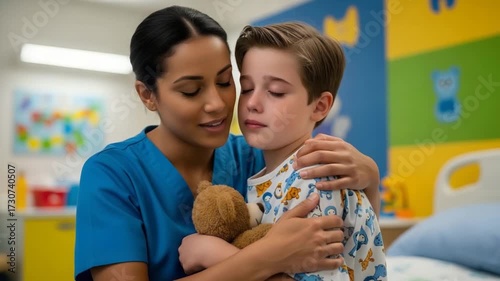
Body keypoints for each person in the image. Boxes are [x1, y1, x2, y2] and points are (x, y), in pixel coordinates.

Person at [74, 6, 382, 281]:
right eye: (192, 90)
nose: (217, 104)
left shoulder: (260, 157)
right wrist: (265, 257)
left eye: (225, 82)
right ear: (147, 95)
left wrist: (369, 175)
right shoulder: (113, 174)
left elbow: (356, 250)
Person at [179, 22, 387, 280]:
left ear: (320, 107)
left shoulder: (314, 182)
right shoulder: (275, 173)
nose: (252, 103)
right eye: (246, 88)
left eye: (275, 92)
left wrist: (215, 253)